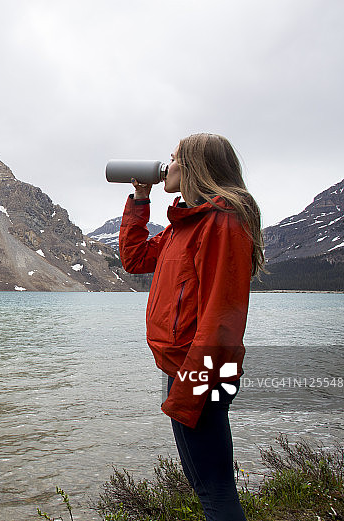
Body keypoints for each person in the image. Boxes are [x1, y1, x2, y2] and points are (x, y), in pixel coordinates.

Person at [118, 133, 264, 520]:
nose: (165, 166)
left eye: (173, 158)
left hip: (201, 373)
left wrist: (189, 391)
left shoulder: (222, 223)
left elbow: (222, 318)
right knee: (207, 486)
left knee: (214, 490)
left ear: (195, 166)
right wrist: (140, 199)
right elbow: (134, 259)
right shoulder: (186, 223)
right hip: (185, 369)